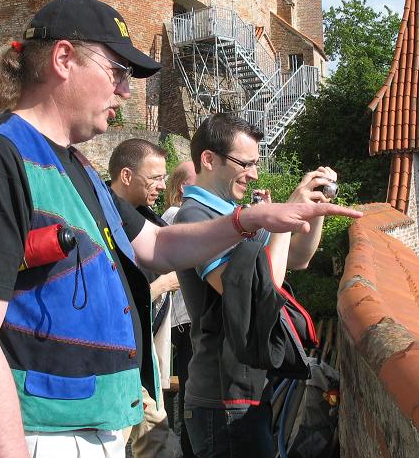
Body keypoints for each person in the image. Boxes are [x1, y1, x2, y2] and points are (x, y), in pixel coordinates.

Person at [0, 0, 360, 458]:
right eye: (117, 72)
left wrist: (249, 219)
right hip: (37, 433)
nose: (126, 91)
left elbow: (157, 244)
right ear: (64, 59)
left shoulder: (77, 166)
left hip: (88, 426)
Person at [174, 113, 341, 458]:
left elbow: (297, 257)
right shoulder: (195, 216)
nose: (254, 174)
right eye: (245, 164)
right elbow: (255, 293)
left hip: (247, 390)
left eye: (255, 163)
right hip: (222, 399)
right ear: (209, 159)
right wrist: (286, 213)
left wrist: (315, 209)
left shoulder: (233, 213)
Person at [108, 139, 179, 458]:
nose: (163, 186)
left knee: (158, 441)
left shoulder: (147, 220)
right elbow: (110, 303)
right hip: (114, 357)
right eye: (155, 178)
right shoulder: (100, 223)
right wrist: (162, 285)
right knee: (117, 441)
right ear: (126, 175)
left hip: (140, 352)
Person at [162, 161, 197, 457]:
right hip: (185, 318)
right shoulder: (176, 214)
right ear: (184, 186)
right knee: (191, 390)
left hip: (184, 318)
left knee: (190, 388)